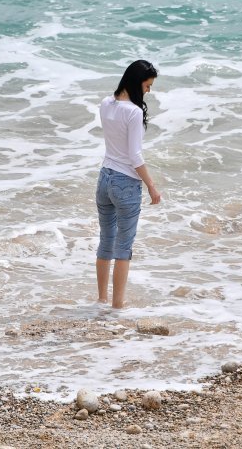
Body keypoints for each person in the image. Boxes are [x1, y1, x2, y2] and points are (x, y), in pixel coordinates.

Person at [95, 60, 161, 309]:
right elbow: (134, 157)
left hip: (104, 178)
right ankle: (117, 305)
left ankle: (101, 300)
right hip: (125, 183)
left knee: (105, 241)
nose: (148, 91)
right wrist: (152, 186)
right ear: (136, 83)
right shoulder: (133, 112)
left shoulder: (106, 103)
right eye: (147, 85)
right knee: (123, 247)